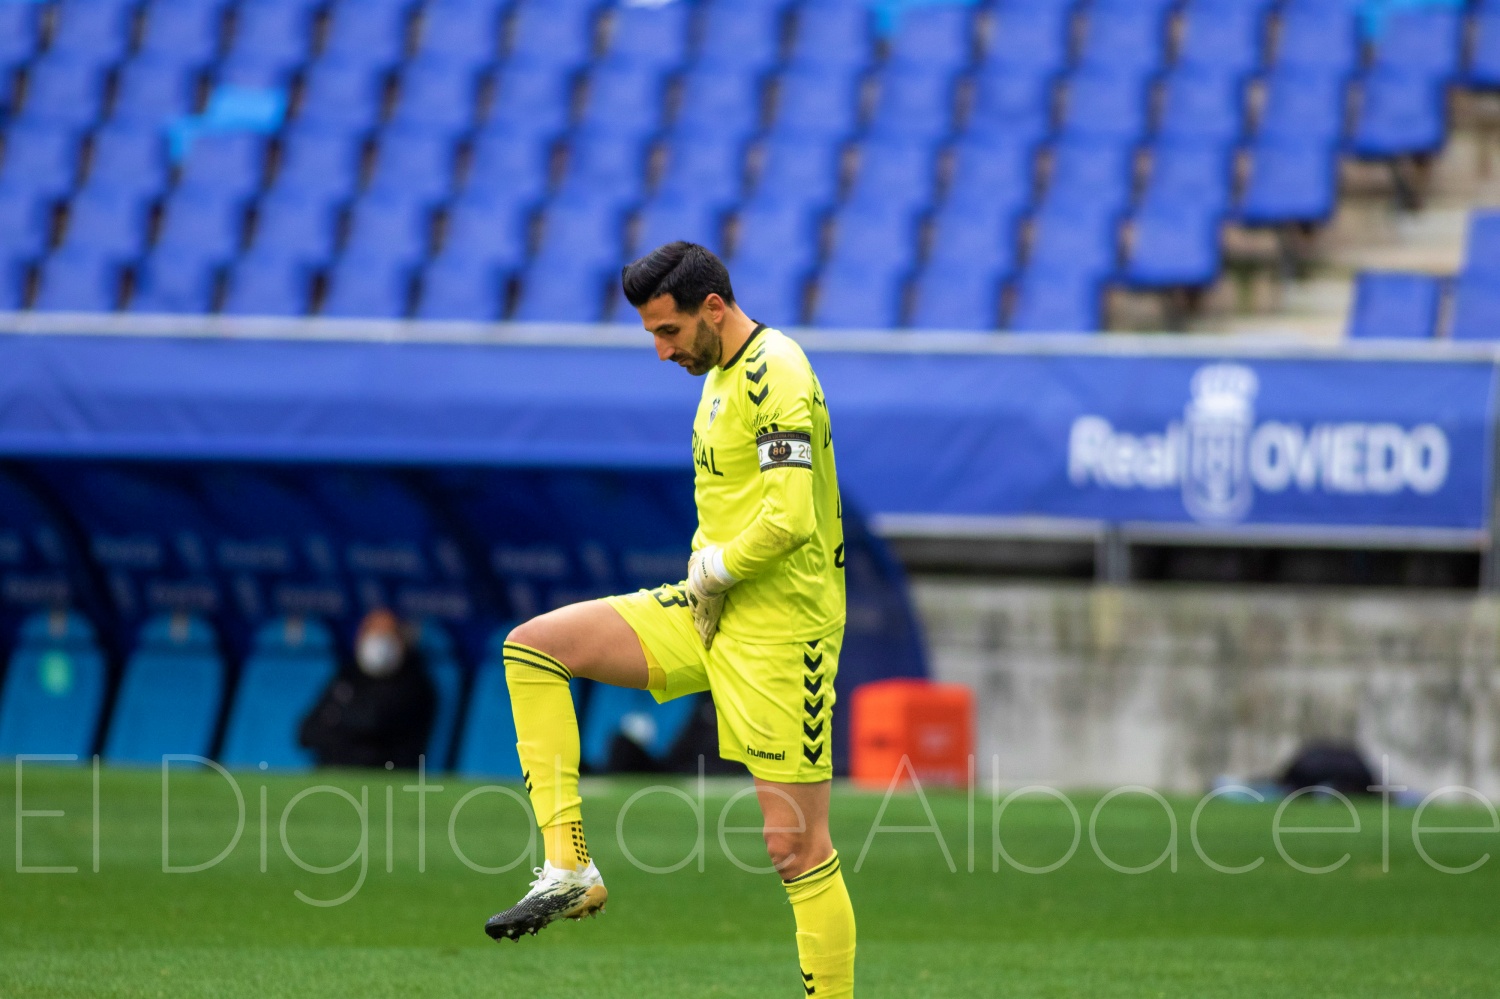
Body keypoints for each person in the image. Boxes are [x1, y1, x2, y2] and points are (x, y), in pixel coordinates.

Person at [484, 243, 857, 997]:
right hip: (709, 611)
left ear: (712, 308)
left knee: (795, 847)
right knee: (534, 648)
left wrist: (713, 570)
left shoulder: (776, 370)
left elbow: (789, 518)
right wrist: (706, 577)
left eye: (668, 331)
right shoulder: (717, 374)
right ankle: (568, 866)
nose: (661, 351)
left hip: (784, 634)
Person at [298, 608, 436, 770]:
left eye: (387, 634)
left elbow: (373, 725)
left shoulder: (415, 684)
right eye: (372, 631)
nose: (378, 640)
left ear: (402, 640)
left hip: (386, 776)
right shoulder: (348, 675)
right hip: (333, 774)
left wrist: (336, 718)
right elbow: (307, 732)